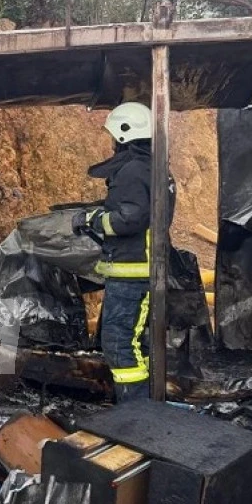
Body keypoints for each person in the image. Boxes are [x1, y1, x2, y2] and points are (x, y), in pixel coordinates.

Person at [72, 102, 175, 401]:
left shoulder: (131, 171)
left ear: (124, 133)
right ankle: (139, 408)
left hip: (133, 273)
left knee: (119, 343)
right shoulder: (152, 167)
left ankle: (136, 414)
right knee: (134, 341)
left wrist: (93, 220)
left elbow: (129, 217)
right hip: (142, 269)